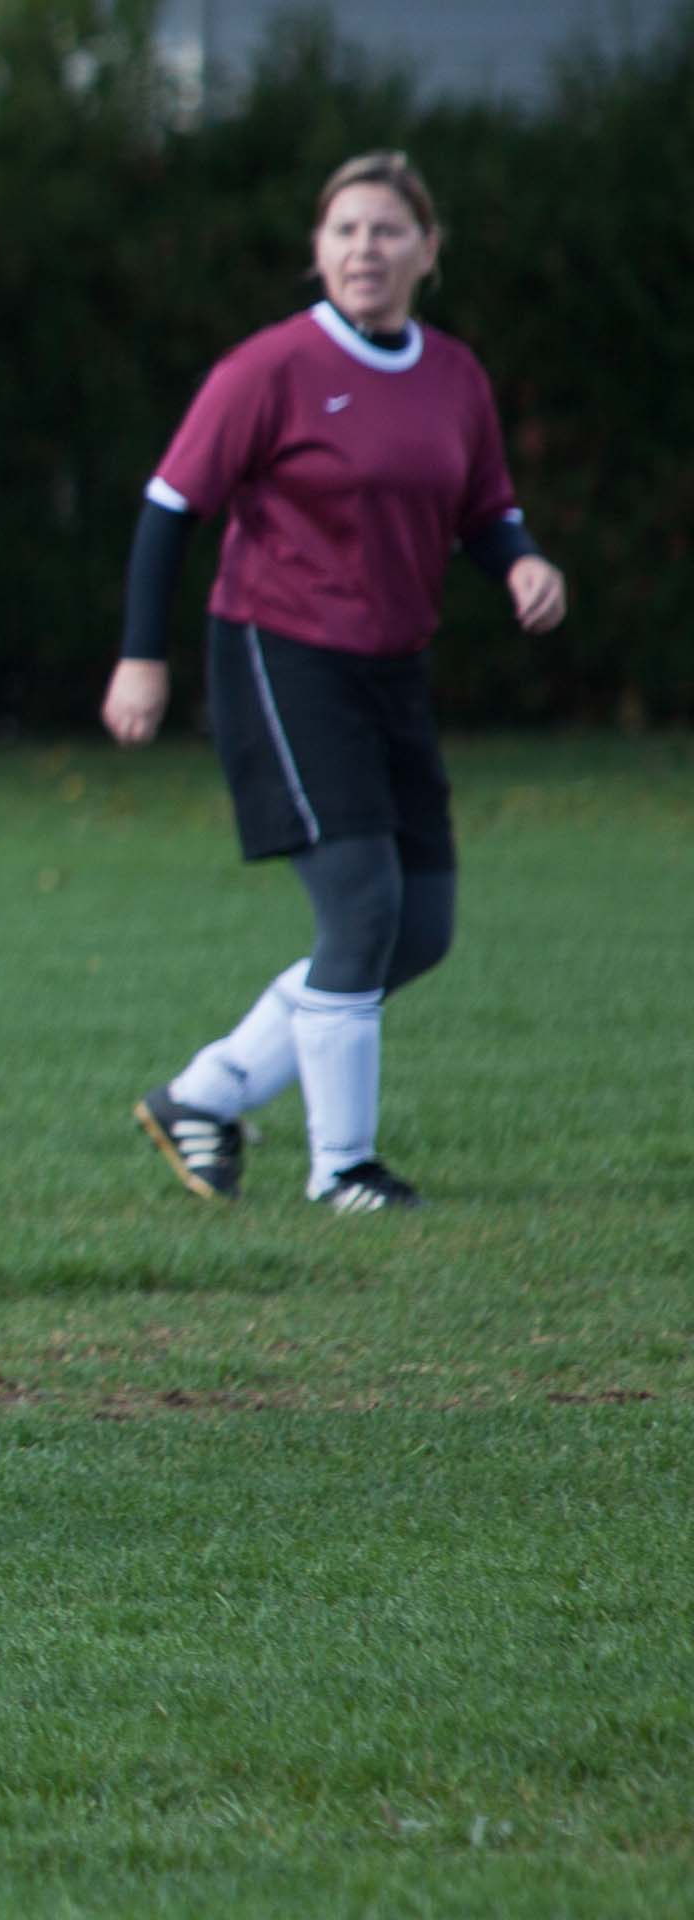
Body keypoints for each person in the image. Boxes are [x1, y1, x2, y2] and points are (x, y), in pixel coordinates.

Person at [110, 148, 570, 1215]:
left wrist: (521, 560)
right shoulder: (270, 367)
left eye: (388, 230)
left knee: (420, 928)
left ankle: (205, 1093)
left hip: (392, 668)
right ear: (318, 250)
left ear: (428, 250)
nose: (366, 248)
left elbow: (486, 506)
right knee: (362, 905)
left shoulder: (454, 375)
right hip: (284, 655)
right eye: (345, 230)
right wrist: (141, 656)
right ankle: (344, 1169)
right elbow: (170, 508)